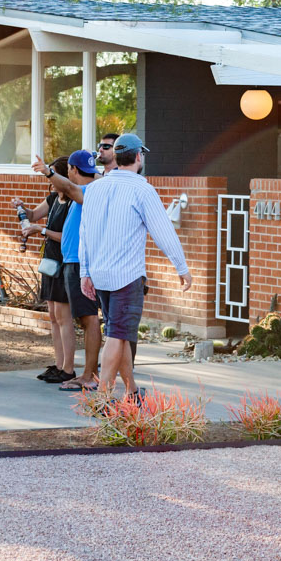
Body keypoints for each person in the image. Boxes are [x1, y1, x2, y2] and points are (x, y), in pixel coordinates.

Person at [78, 134, 192, 401]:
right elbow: (163, 231)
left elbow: (85, 233)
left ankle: (131, 391)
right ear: (139, 157)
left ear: (117, 156)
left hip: (100, 274)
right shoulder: (142, 189)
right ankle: (104, 397)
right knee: (117, 335)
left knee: (121, 334)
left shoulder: (94, 189)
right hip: (126, 276)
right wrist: (182, 267)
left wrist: (85, 271)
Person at [31, 149, 102, 391]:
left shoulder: (87, 191)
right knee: (83, 319)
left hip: (79, 262)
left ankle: (88, 375)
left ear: (72, 170)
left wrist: (48, 172)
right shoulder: (83, 191)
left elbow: (71, 189)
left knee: (89, 319)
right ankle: (84, 373)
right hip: (70, 261)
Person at [12, 156, 73, 384]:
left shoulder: (74, 203)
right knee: (53, 317)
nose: (51, 181)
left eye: (54, 175)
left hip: (64, 262)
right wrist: (21, 208)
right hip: (49, 263)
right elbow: (32, 215)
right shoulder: (53, 198)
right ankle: (58, 364)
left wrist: (42, 230)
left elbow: (65, 236)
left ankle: (68, 368)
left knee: (64, 317)